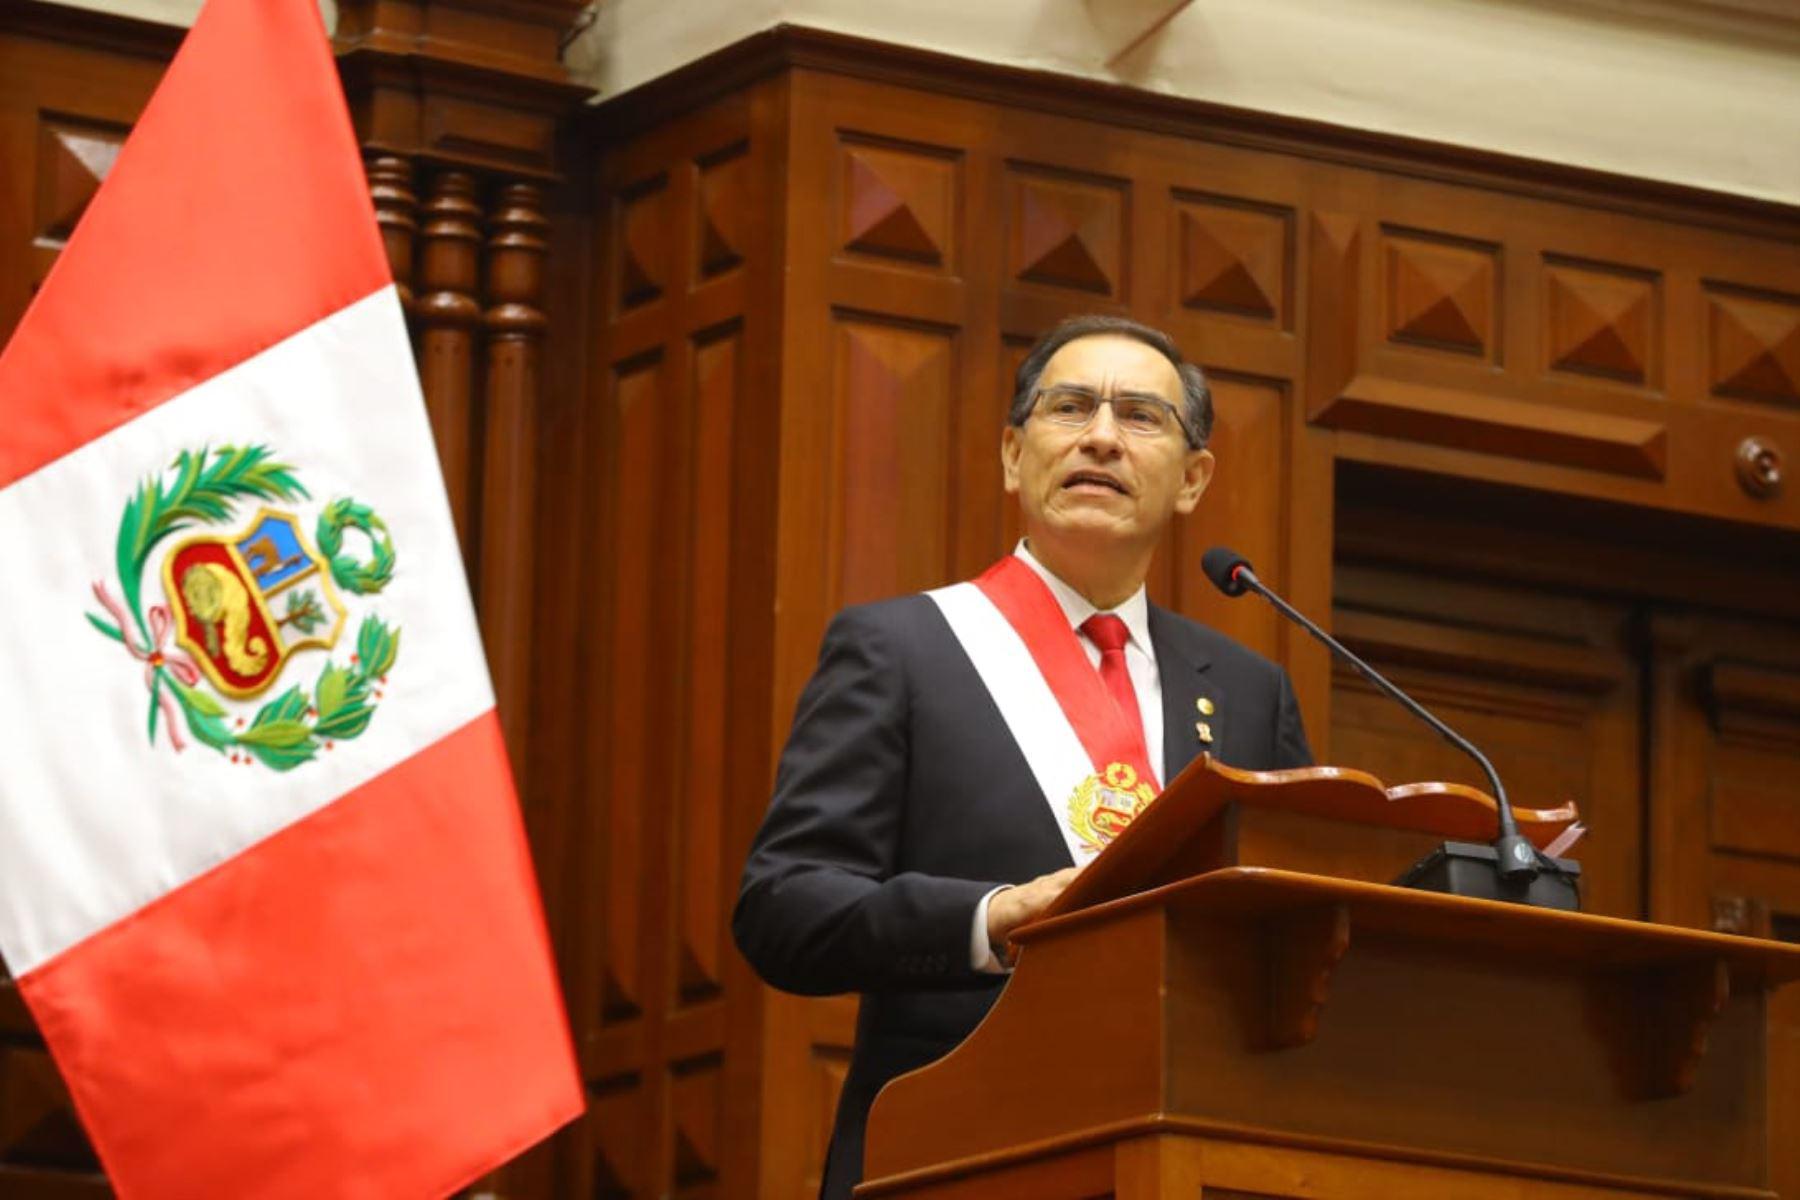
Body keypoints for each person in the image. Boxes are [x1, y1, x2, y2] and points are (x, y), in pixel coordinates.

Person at [733, 314, 1312, 1199]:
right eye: (1070, 407)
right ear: (1013, 455)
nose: (1102, 437)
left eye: (1142, 417)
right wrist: (991, 919)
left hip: (1185, 1159)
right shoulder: (904, 650)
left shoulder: (1247, 689)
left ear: (1192, 480)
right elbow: (785, 908)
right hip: (954, 1154)